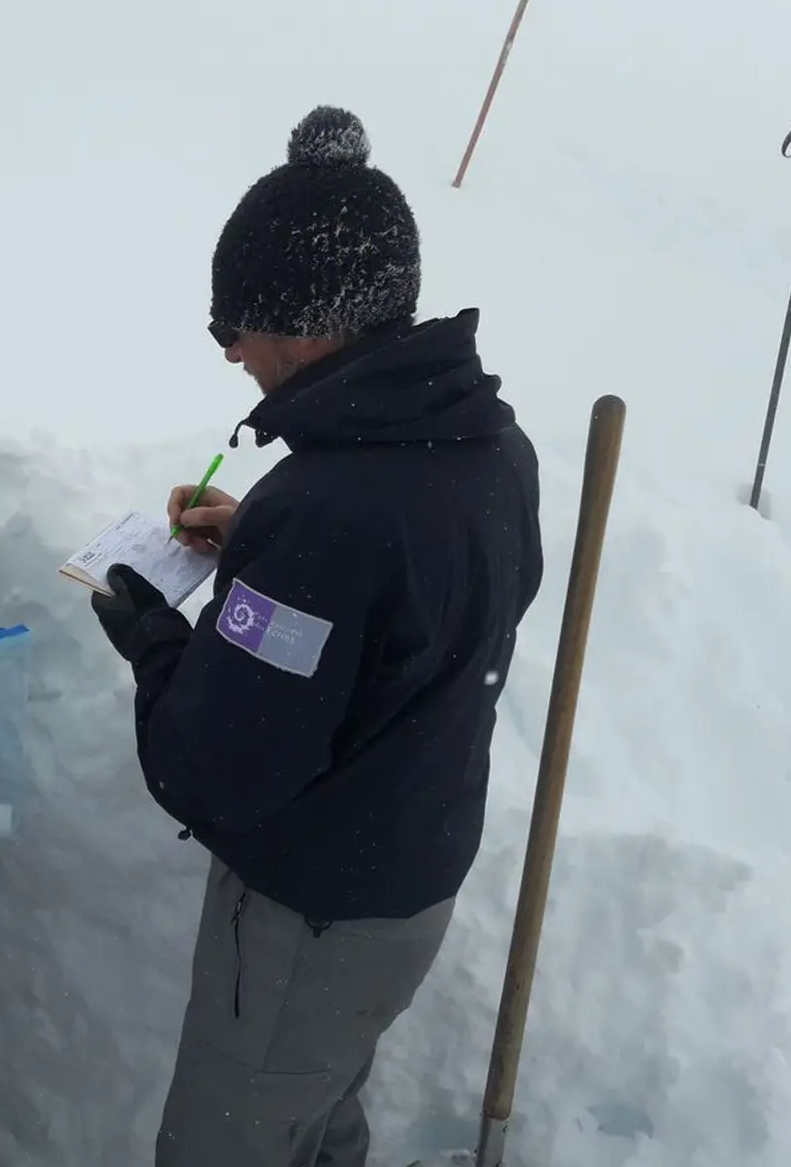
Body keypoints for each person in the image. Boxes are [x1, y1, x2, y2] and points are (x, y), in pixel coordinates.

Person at [90, 105, 544, 1167]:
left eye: (232, 327)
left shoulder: (330, 512)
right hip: (401, 880)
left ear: (300, 327)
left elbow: (213, 772)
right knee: (314, 1111)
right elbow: (409, 608)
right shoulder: (488, 446)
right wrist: (261, 550)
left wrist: (155, 641)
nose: (230, 354)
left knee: (230, 1144)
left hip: (309, 919)